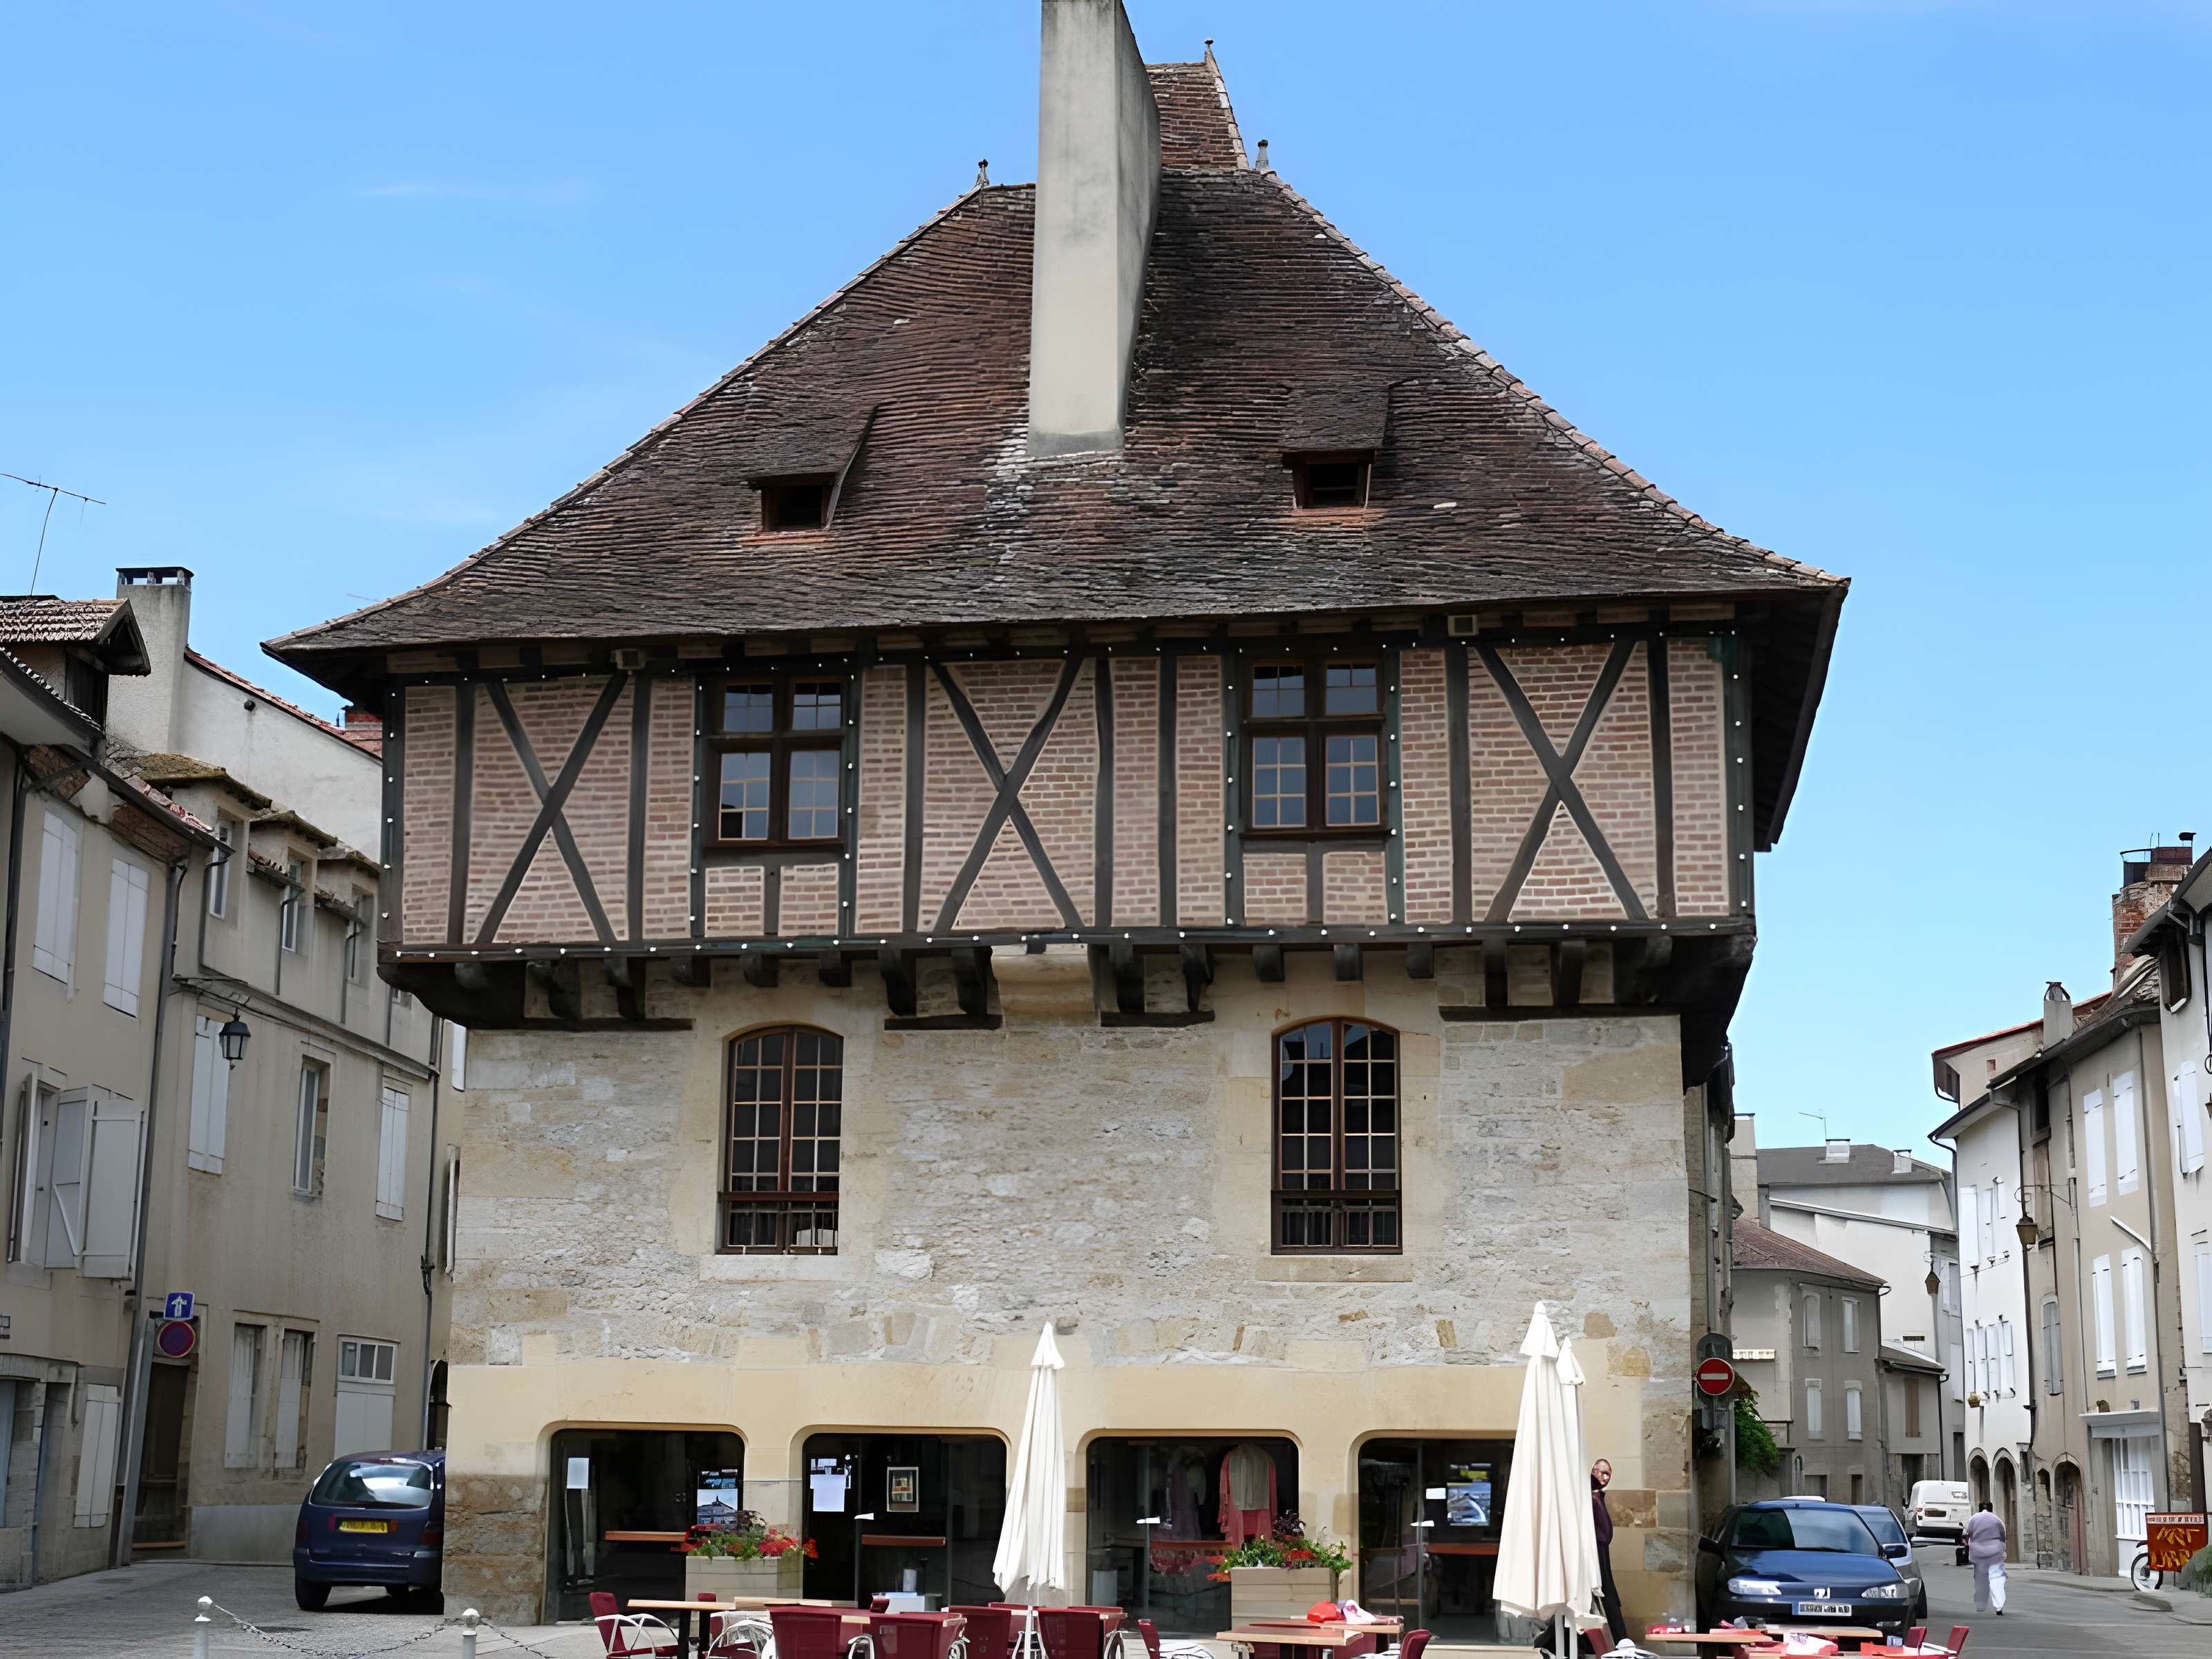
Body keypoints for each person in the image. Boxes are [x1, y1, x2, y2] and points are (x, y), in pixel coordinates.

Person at [1591, 1459, 1628, 1649]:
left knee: (1609, 1597)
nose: (1606, 1478)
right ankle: (1622, 1641)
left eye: (1609, 1474)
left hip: (1601, 1549)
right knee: (1607, 1597)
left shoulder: (1596, 1493)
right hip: (1594, 1550)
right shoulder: (1590, 1491)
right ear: (1594, 1471)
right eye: (1603, 1473)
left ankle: (1622, 1640)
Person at [1964, 1501, 2007, 1614]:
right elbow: (2003, 1536)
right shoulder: (1997, 1520)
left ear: (1979, 1509)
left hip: (1978, 1554)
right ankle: (1999, 1606)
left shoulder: (1974, 1519)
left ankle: (1981, 1605)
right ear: (1992, 1509)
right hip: (1995, 1553)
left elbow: (1968, 1534)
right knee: (1997, 1578)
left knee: (1980, 1579)